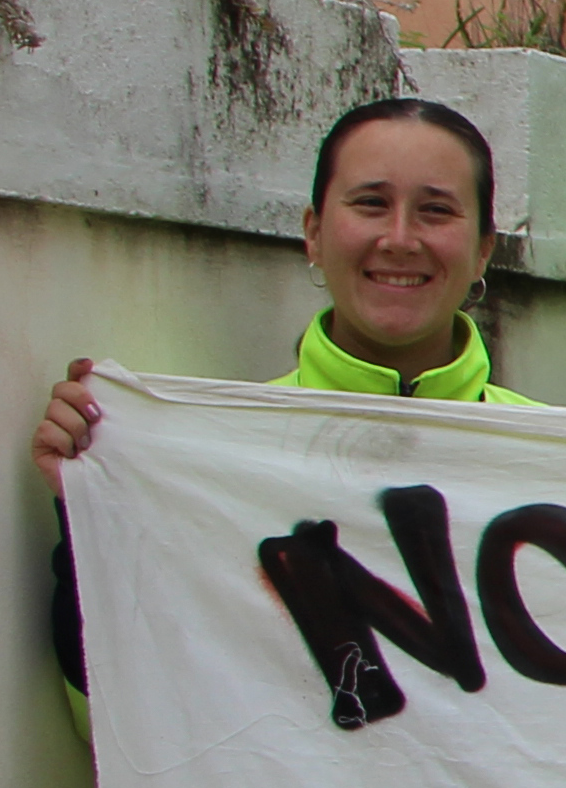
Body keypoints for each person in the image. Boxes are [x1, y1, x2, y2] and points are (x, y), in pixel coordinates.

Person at [34, 98, 532, 689]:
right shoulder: (211, 458)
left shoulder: (563, 457)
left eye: (436, 210)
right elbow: (128, 702)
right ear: (314, 233)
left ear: (482, 248)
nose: (400, 238)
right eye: (371, 203)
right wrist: (95, 510)